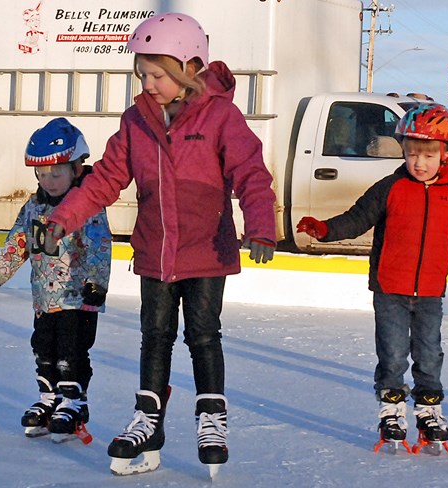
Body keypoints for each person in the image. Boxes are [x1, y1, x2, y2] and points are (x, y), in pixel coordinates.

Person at [43, 12, 277, 476]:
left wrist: (261, 224)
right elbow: (105, 179)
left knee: (204, 336)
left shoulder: (220, 117)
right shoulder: (136, 122)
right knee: (155, 337)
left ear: (189, 69)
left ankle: (211, 416)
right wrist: (61, 219)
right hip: (156, 250)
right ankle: (148, 420)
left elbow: (250, 172)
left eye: (157, 74)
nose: (148, 83)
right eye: (143, 74)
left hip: (207, 249)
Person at [296, 104, 448, 454]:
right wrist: (325, 230)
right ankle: (392, 410)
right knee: (394, 355)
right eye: (412, 154)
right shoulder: (391, 187)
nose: (419, 162)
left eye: (428, 155)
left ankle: (429, 411)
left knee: (429, 354)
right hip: (390, 288)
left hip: (430, 290)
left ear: (445, 156)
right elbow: (357, 218)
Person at [0, 117, 112, 443]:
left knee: (71, 351)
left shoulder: (86, 206)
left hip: (77, 297)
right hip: (44, 298)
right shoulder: (34, 206)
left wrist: (96, 285)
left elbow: (98, 246)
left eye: (56, 173)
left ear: (77, 169)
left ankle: (73, 401)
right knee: (43, 348)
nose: (49, 181)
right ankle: (49, 397)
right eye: (42, 174)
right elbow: (19, 240)